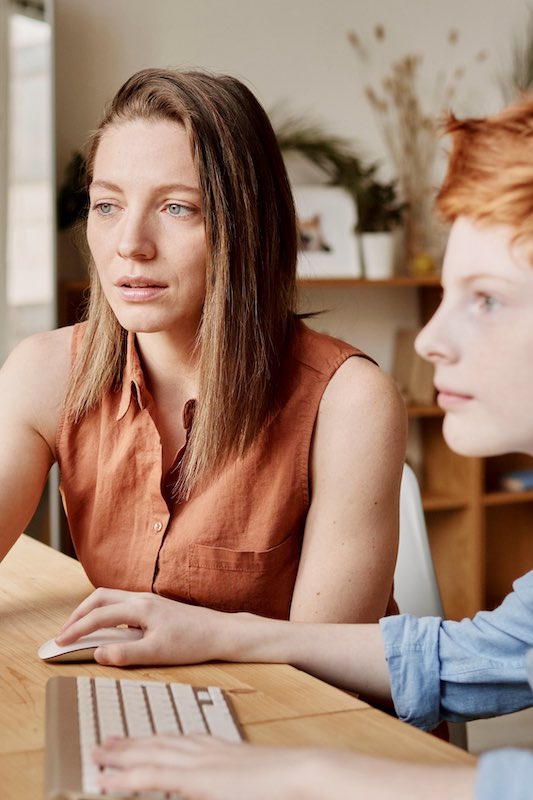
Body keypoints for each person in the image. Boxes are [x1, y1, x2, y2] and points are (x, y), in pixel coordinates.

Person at [59, 98, 533, 799]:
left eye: (486, 300)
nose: (432, 340)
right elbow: (469, 656)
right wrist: (224, 633)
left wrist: (307, 775)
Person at [0, 67, 407, 623]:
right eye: (107, 205)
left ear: (246, 227)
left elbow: (330, 668)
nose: (130, 245)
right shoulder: (44, 373)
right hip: (145, 701)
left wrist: (200, 636)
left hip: (309, 709)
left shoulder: (350, 402)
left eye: (177, 208)